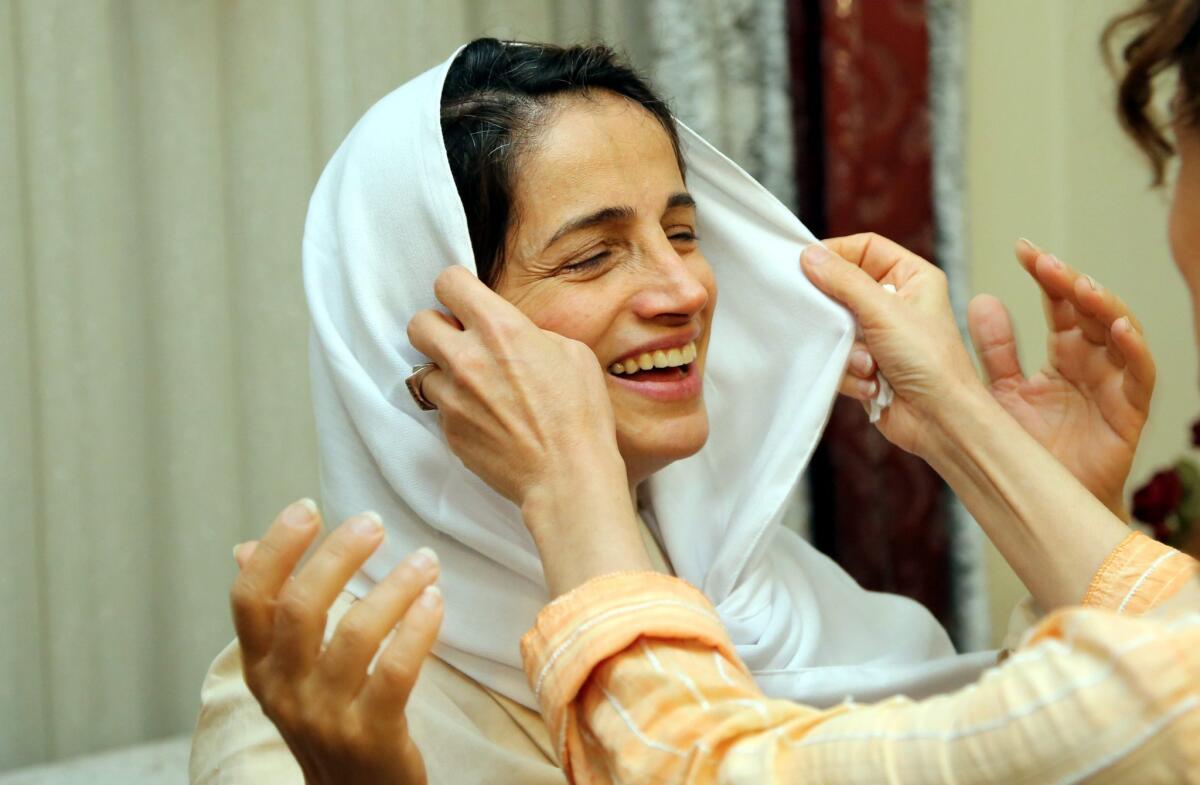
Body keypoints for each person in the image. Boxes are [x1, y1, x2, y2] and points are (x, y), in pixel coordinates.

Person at [192, 23, 1170, 785]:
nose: (687, 290)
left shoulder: (773, 594)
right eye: (591, 253)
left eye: (684, 231)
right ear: (426, 329)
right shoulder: (316, 683)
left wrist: (1056, 516)